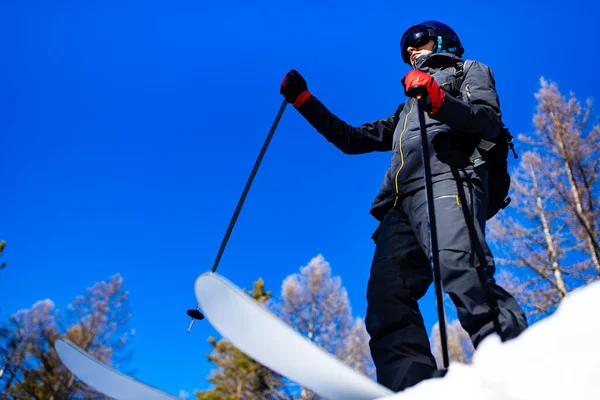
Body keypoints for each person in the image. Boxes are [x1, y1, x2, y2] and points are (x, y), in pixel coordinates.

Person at [279, 20, 529, 392]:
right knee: (385, 299)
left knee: (459, 267)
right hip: (398, 204)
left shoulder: (467, 70)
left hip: (449, 178)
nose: (410, 50)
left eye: (417, 41)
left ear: (443, 41)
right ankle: (411, 388)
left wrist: (439, 100)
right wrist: (303, 101)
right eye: (405, 49)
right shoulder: (404, 111)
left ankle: (518, 369)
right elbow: (350, 139)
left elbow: (488, 121)